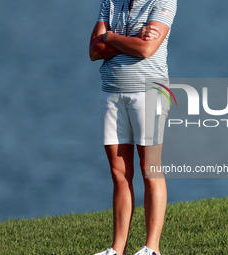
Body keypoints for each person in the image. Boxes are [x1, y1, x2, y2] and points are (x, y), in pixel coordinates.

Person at [89, 0, 177, 254]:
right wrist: (129, 39)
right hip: (112, 94)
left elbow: (147, 48)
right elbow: (94, 51)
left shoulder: (163, 0)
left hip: (149, 93)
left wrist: (109, 37)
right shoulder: (110, 1)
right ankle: (118, 249)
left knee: (150, 169)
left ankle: (152, 248)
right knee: (119, 174)